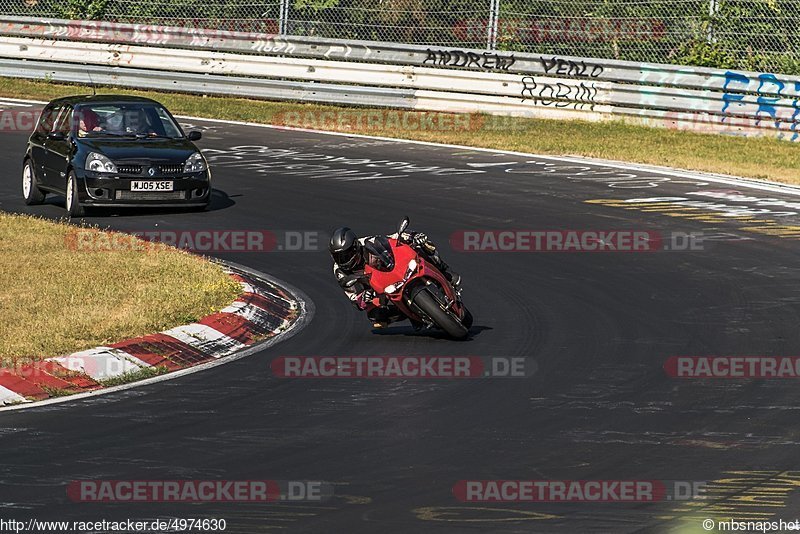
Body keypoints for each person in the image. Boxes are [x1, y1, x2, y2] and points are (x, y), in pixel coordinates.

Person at [330, 226, 461, 328]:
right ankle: (413, 314)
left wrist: (413, 236)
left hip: (393, 268)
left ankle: (445, 271)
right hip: (375, 288)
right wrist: (363, 298)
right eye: (338, 257)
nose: (343, 261)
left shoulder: (367, 242)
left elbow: (393, 239)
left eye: (346, 255)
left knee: (421, 245)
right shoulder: (340, 272)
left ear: (355, 247)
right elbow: (354, 299)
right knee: (374, 316)